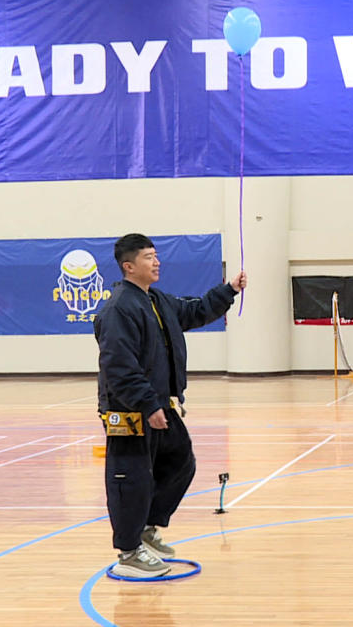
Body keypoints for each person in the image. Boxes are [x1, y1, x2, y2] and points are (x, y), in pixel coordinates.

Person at [94, 233, 246, 578]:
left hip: (159, 403)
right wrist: (148, 405)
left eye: (156, 255)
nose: (156, 261)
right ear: (129, 266)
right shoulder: (120, 308)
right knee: (130, 479)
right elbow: (119, 365)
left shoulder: (156, 300)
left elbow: (194, 311)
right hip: (130, 410)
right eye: (148, 257)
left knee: (179, 461)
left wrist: (229, 290)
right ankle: (129, 552)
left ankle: (146, 528)